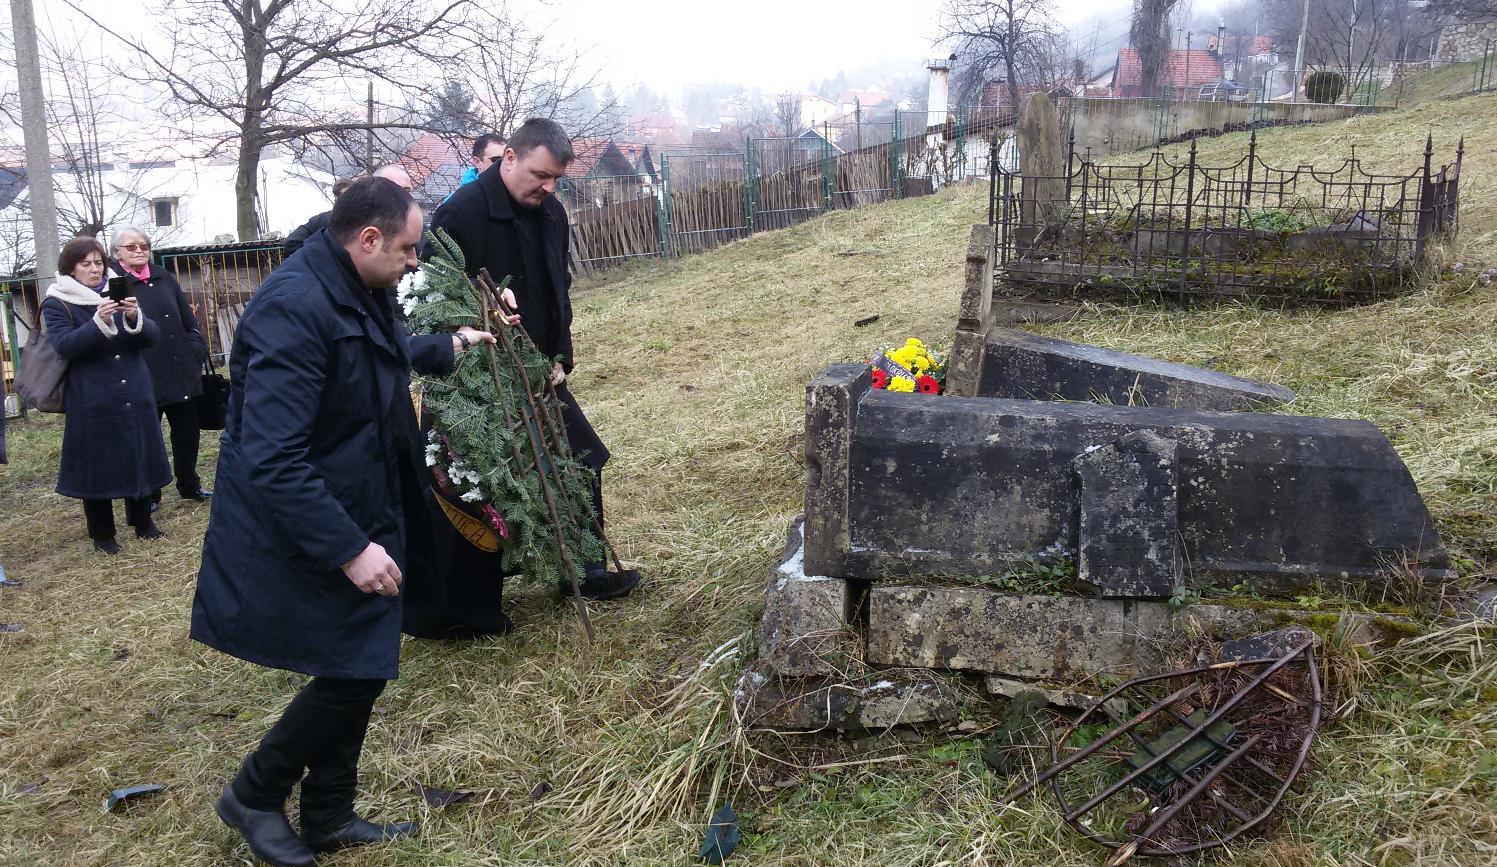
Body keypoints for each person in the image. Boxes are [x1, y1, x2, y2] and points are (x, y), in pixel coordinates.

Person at [191, 177, 494, 866]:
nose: (414, 262)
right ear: (368, 238)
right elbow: (270, 454)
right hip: (303, 519)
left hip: (360, 495)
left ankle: (327, 814)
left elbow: (374, 352)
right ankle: (254, 791)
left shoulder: (359, 286)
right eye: (409, 249)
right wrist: (349, 547)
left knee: (356, 652)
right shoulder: (291, 308)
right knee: (354, 666)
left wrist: (446, 346)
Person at [406, 117, 640, 640]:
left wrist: (561, 355)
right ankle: (464, 611)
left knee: (582, 458)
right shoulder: (459, 214)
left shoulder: (551, 212)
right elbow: (428, 297)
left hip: (539, 372)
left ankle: (586, 570)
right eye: (540, 174)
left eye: (556, 178)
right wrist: (470, 330)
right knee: (467, 487)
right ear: (508, 157)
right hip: (476, 379)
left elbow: (558, 289)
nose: (549, 188)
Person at [42, 237, 172, 554]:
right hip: (92, 396)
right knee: (97, 466)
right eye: (85, 264)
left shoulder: (119, 288)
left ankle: (143, 522)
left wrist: (133, 317)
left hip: (134, 389)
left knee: (137, 453)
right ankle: (102, 535)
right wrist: (98, 323)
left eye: (98, 262)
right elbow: (64, 346)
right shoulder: (57, 301)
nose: (94, 269)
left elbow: (150, 338)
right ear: (70, 268)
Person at [111, 226, 212, 505]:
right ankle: (150, 494)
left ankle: (189, 485)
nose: (139, 251)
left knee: (187, 434)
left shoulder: (162, 275)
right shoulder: (114, 282)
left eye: (143, 245)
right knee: (147, 438)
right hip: (144, 373)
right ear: (117, 252)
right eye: (131, 247)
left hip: (180, 368)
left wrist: (195, 345)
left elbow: (185, 316)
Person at [282, 176, 360, 256]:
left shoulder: (366, 220)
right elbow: (291, 244)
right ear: (336, 198)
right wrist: (321, 257)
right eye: (341, 196)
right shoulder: (321, 221)